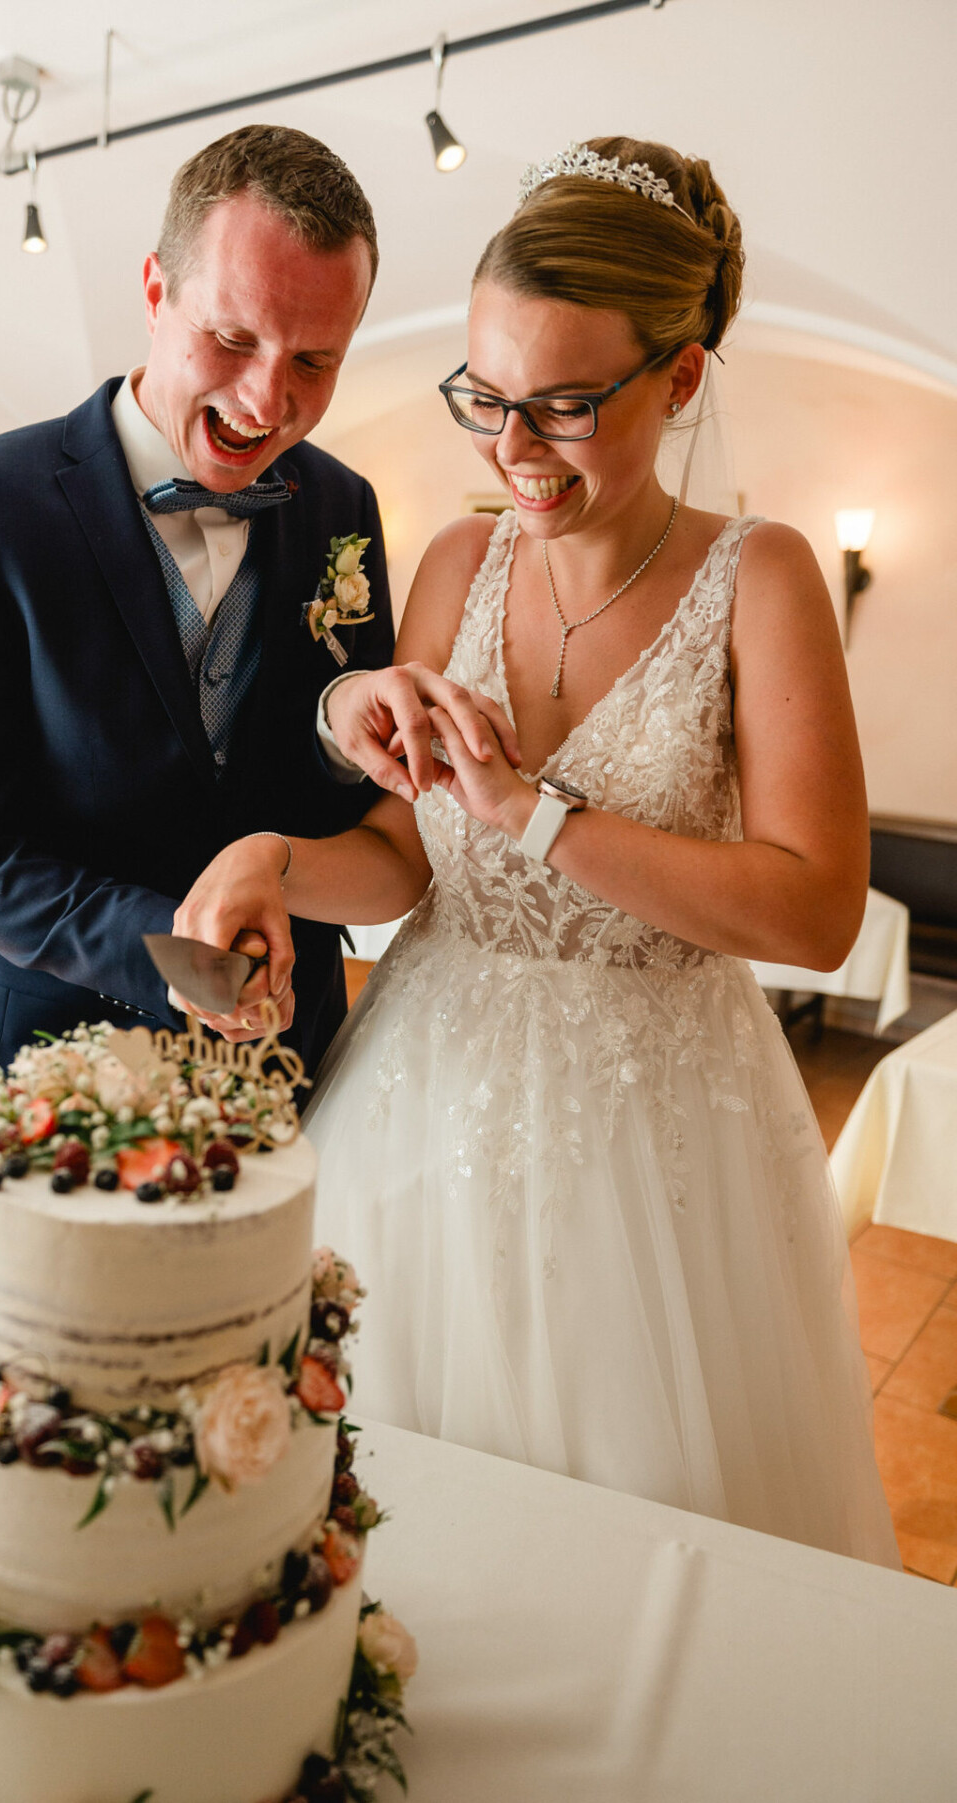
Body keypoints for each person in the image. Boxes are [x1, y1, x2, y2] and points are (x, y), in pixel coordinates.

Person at [174, 138, 900, 1565]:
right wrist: (277, 858)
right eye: (487, 399)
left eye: (565, 406)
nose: (514, 449)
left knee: (643, 1544)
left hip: (658, 1128)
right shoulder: (456, 561)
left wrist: (540, 809)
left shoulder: (761, 576)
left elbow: (815, 910)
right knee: (376, 1504)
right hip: (423, 1090)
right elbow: (404, 855)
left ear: (680, 379)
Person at [0, 124, 506, 1283]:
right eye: (232, 338)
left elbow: (312, 771)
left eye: (315, 361)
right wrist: (180, 954)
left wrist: (342, 727)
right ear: (156, 289)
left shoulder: (341, 506)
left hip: (292, 1079)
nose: (269, 398)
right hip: (52, 1067)